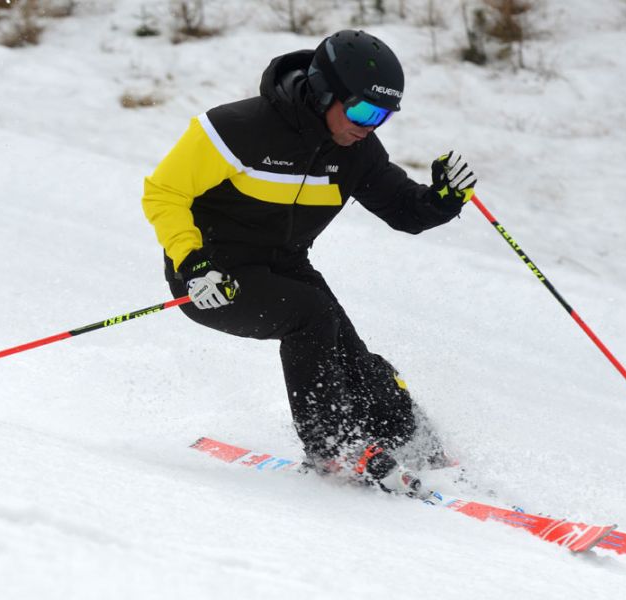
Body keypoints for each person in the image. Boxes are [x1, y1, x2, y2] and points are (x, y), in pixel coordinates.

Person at [141, 30, 477, 491]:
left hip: (284, 267)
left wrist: (444, 199)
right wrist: (192, 262)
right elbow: (164, 191)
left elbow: (404, 210)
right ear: (323, 92)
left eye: (382, 115)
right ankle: (331, 448)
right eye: (361, 109)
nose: (369, 124)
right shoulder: (237, 128)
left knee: (354, 357)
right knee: (312, 316)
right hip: (213, 277)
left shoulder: (356, 150)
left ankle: (418, 447)